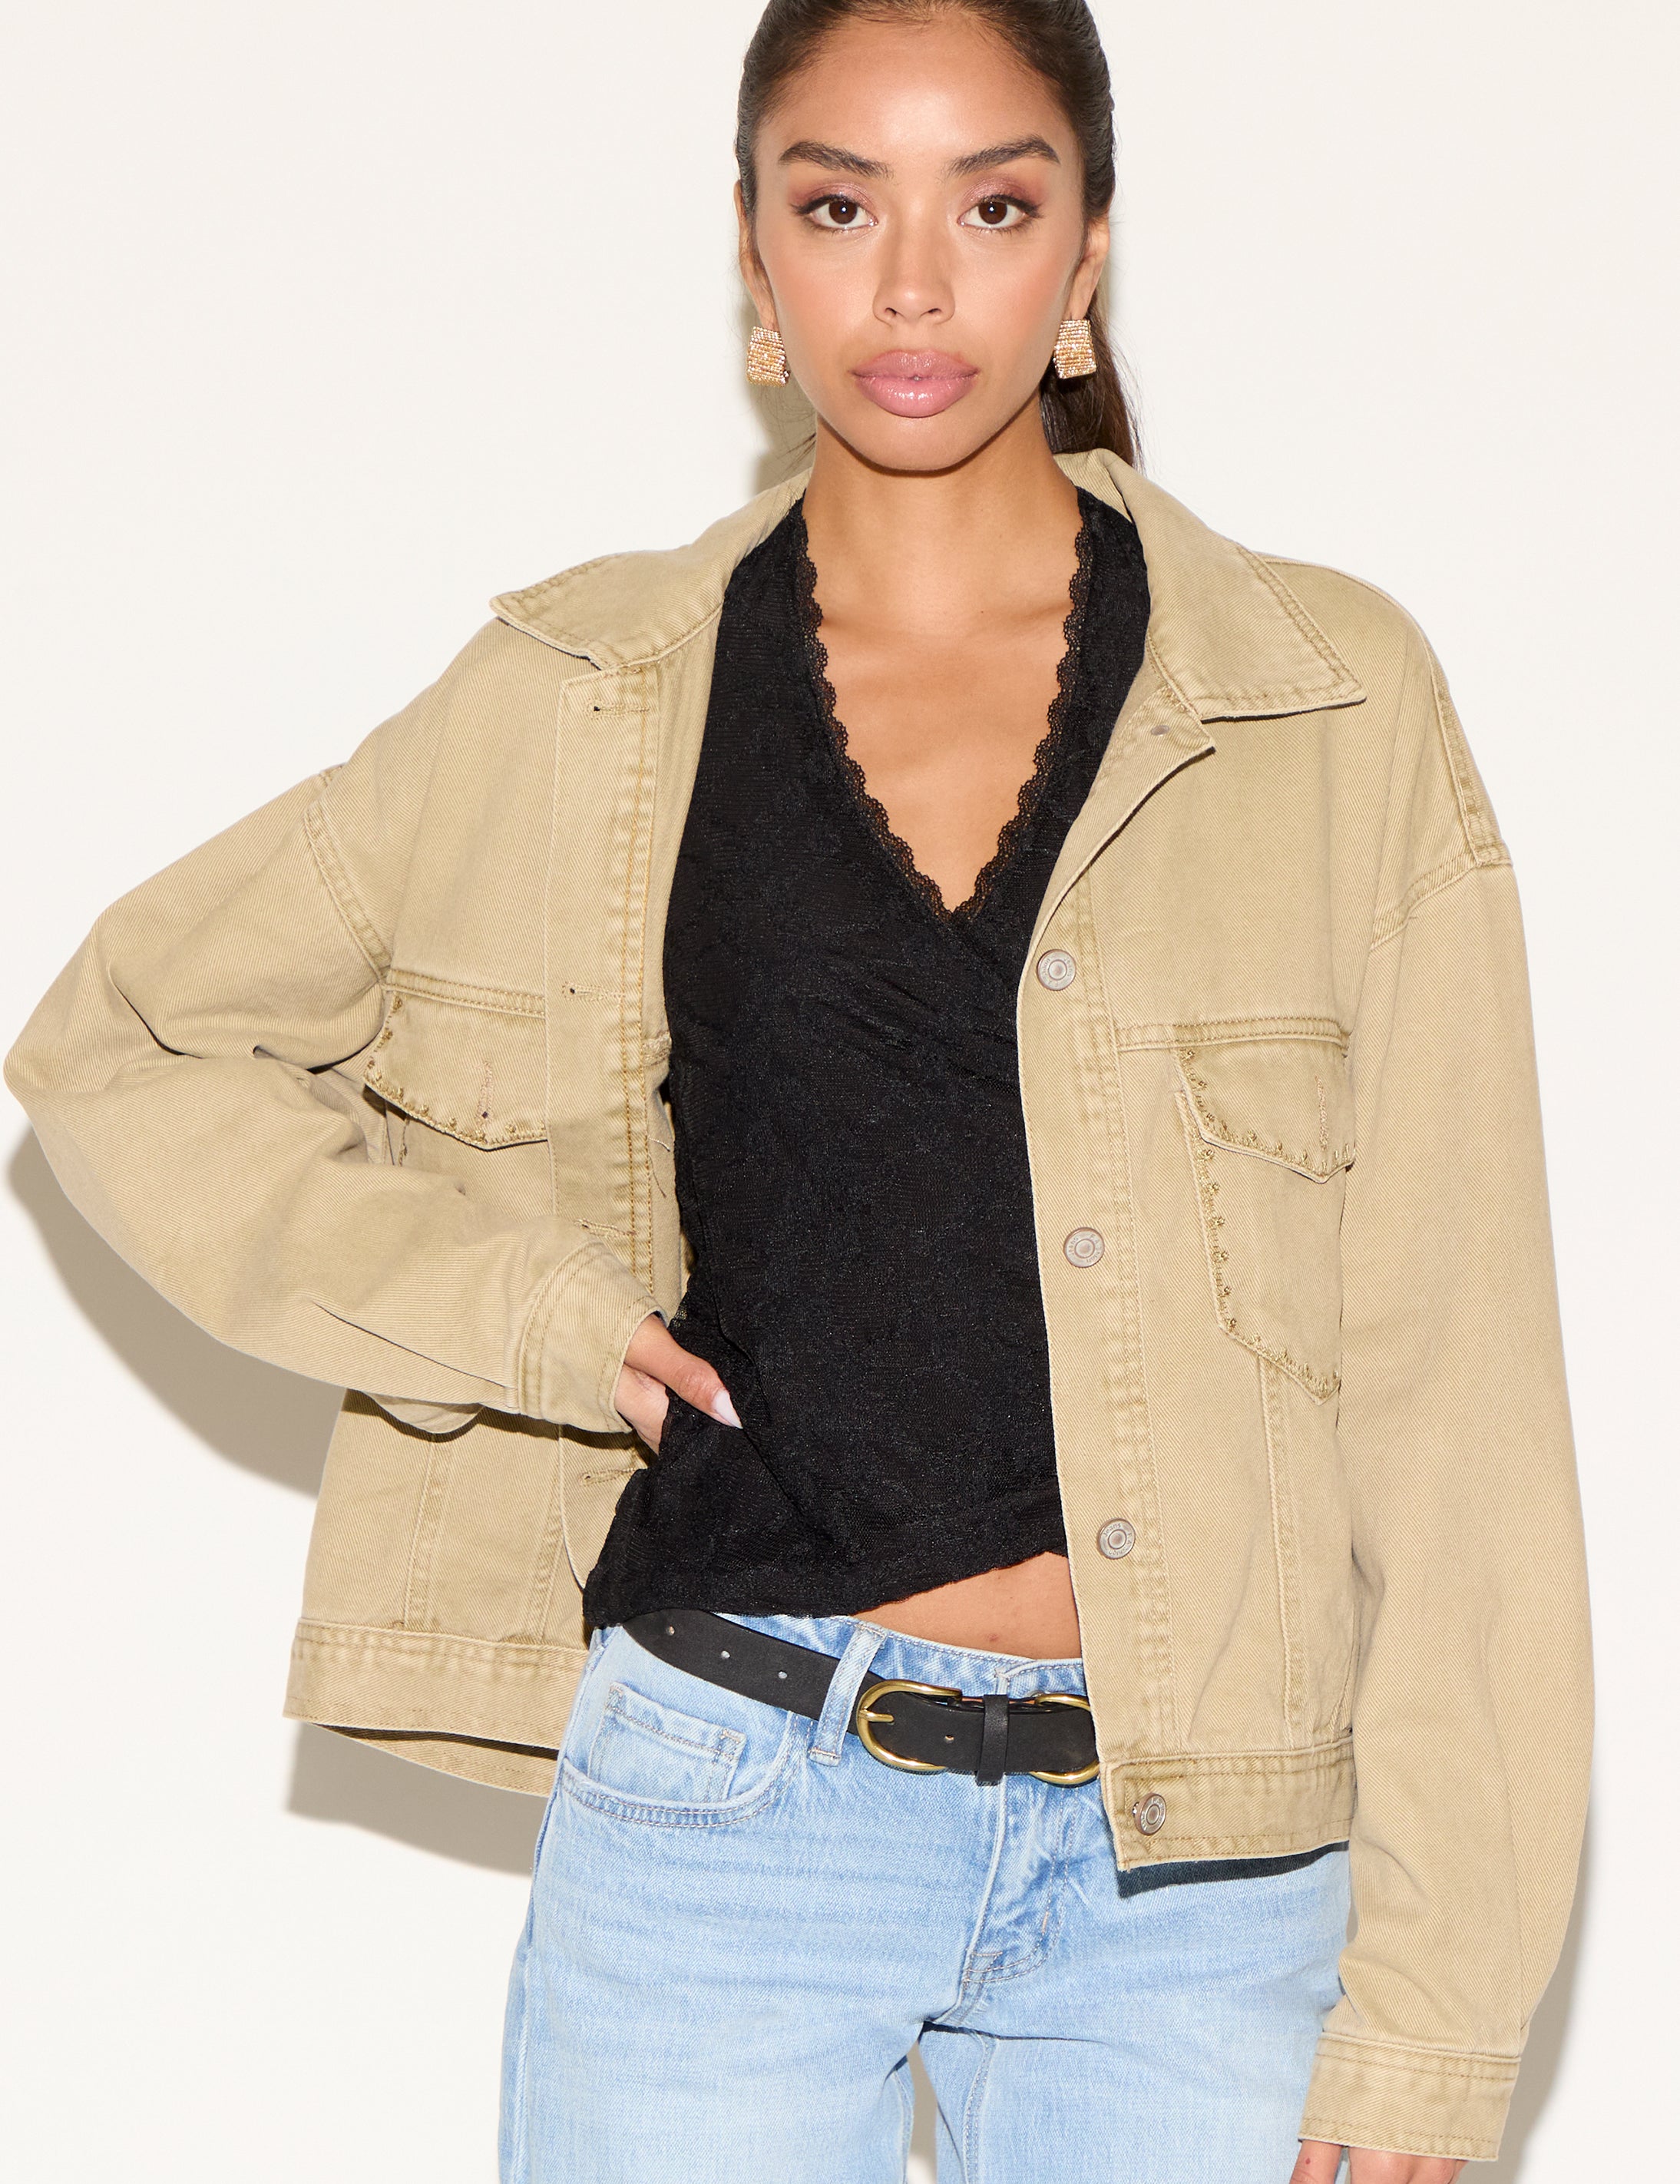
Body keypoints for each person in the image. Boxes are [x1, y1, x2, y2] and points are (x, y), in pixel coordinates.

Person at [5, 2, 1591, 2179]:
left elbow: (1455, 1380)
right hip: (727, 1818)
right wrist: (533, 1321)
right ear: (754, 264)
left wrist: (1431, 2014)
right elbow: (129, 1036)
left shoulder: (1318, 702)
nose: (912, 284)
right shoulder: (578, 699)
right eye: (837, 205)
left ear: (1087, 255)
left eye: (994, 203)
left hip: (1198, 1885)